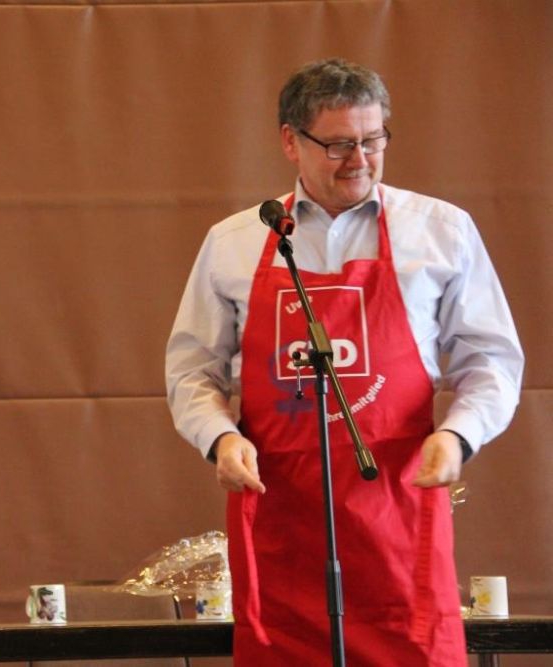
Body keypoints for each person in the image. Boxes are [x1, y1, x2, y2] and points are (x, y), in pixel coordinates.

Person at [165, 59, 523, 665]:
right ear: (290, 141)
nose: (360, 159)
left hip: (398, 517)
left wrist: (458, 436)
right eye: (337, 145)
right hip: (282, 524)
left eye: (373, 140)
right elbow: (192, 371)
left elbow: (492, 360)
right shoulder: (236, 242)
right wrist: (220, 439)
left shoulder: (441, 232)